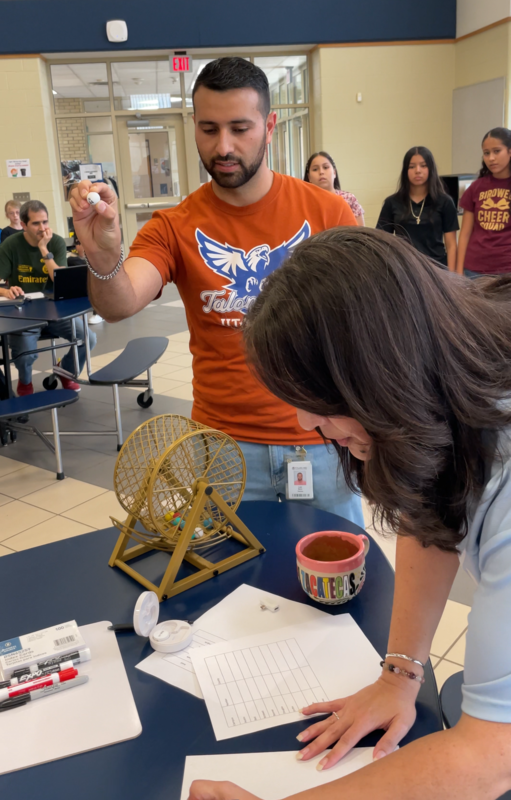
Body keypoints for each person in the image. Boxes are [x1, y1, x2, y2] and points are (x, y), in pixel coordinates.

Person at [188, 226, 511, 800]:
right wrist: (400, 672)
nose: (306, 427)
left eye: (318, 407)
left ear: (382, 380)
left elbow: (492, 759)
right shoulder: (450, 369)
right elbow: (430, 507)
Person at [69, 57, 363, 524]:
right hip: (224, 448)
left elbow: (367, 326)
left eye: (240, 128)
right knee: (228, 587)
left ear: (269, 126)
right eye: (209, 129)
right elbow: (120, 303)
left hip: (323, 443)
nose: (223, 146)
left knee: (332, 586)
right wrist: (103, 256)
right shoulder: (174, 224)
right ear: (193, 127)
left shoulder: (327, 213)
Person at [0, 200, 96, 396]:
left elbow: (58, 278)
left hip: (54, 309)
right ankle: (25, 382)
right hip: (24, 312)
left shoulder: (57, 242)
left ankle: (66, 371)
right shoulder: (10, 245)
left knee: (88, 338)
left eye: (45, 222)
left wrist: (44, 250)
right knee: (25, 353)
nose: (42, 228)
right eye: (36, 223)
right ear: (24, 225)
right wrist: (6, 291)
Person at [376, 146, 458, 270]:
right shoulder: (391, 203)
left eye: (423, 165)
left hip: (437, 269)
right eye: (412, 166)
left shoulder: (445, 202)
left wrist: (452, 277)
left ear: (431, 169)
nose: (418, 170)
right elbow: (381, 240)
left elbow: (451, 245)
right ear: (405, 171)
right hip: (405, 269)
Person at [456, 127, 511, 278]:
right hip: (474, 270)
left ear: (510, 151)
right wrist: (459, 272)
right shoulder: (476, 188)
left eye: (496, 151)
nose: (491, 158)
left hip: (507, 270)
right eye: (486, 153)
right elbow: (465, 233)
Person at [304, 152, 364, 225]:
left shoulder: (349, 199)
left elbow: (361, 233)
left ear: (334, 173)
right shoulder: (304, 203)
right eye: (315, 169)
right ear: (309, 177)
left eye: (325, 167)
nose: (321, 172)